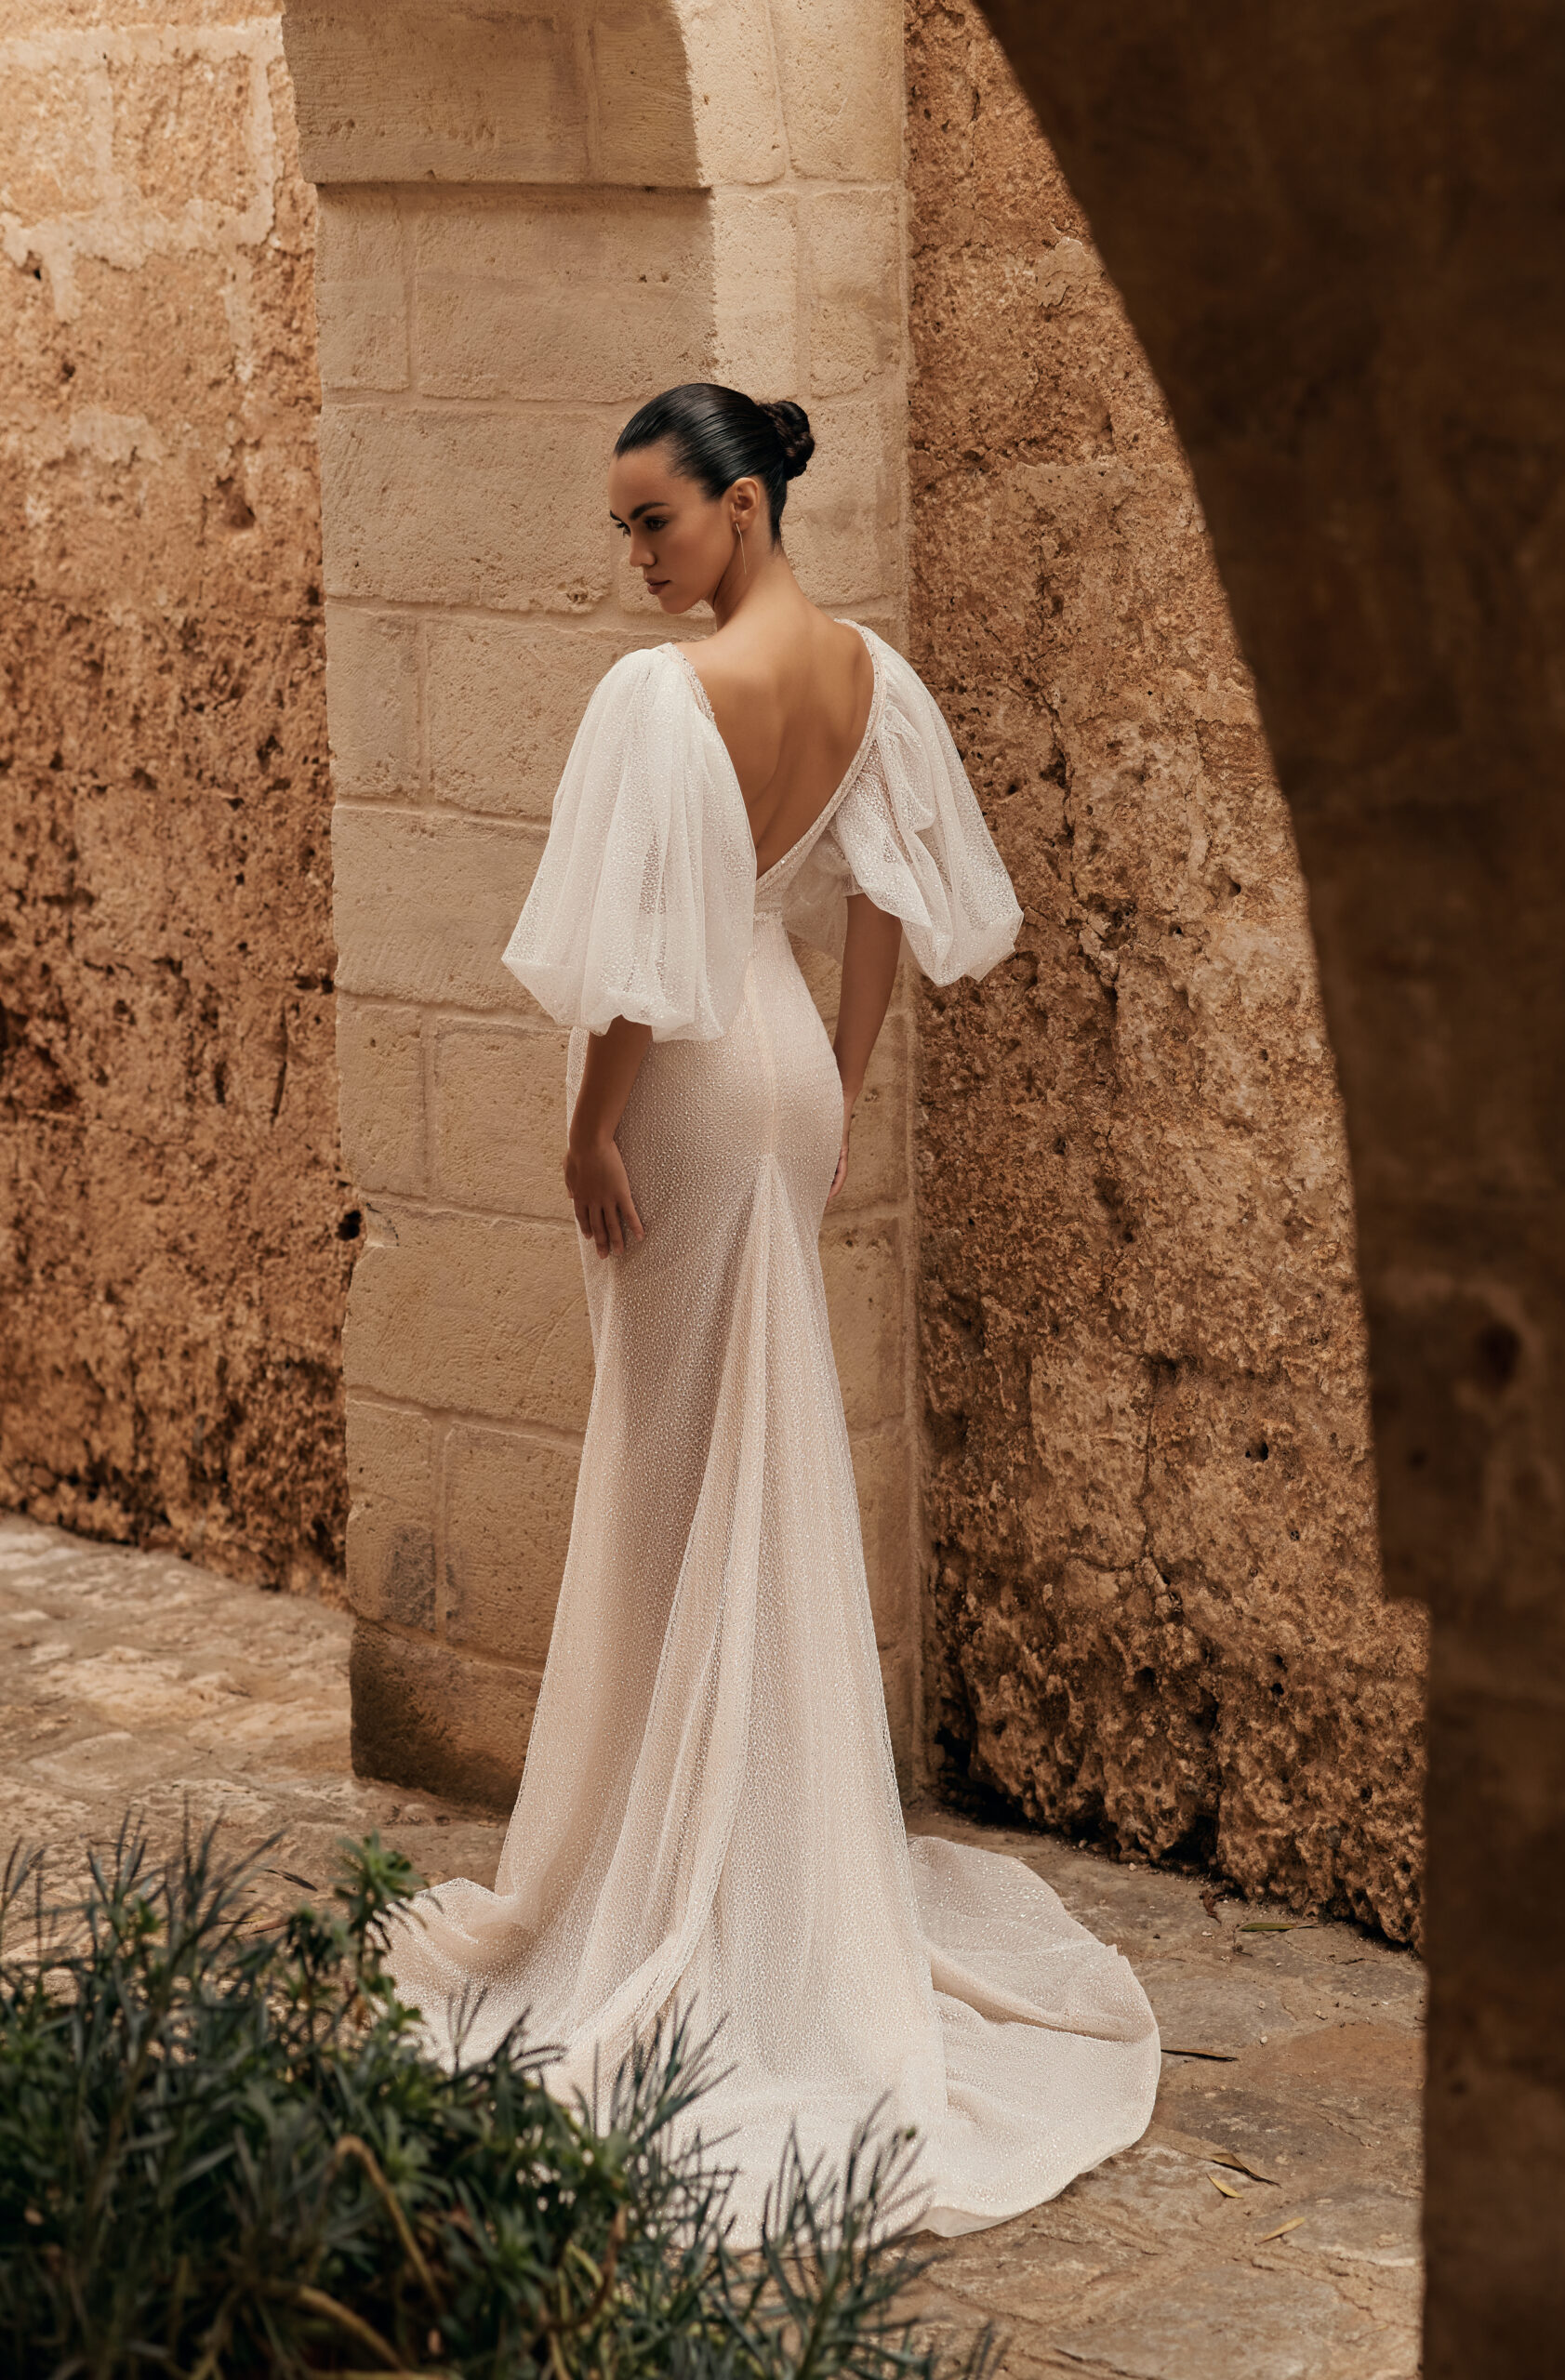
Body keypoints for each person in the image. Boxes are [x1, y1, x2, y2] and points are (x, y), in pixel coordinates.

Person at [387, 383, 1160, 2238]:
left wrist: (588, 1125)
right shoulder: (870, 679)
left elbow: (635, 952)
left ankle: (682, 1880)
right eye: (620, 528)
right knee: (747, 1452)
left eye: (654, 520)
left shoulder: (662, 700)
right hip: (789, 1073)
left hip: (681, 1083)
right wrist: (840, 1083)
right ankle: (742, 1847)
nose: (634, 559)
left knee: (671, 1469)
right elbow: (885, 902)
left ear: (741, 507)